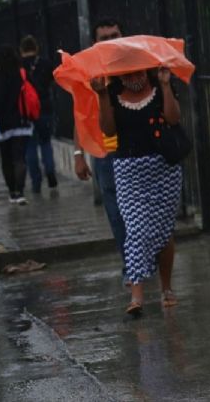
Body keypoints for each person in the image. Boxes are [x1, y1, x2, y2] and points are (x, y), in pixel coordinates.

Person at [91, 67, 182, 315]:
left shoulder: (159, 85)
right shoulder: (112, 92)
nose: (133, 77)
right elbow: (108, 130)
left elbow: (174, 118)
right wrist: (101, 95)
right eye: (126, 73)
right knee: (135, 229)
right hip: (128, 171)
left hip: (163, 170)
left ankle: (166, 288)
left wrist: (165, 85)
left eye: (137, 72)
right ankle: (137, 296)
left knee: (164, 231)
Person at [73, 18, 127, 260]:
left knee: (140, 213)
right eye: (105, 38)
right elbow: (81, 115)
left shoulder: (134, 64)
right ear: (95, 43)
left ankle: (144, 261)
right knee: (116, 214)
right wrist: (78, 155)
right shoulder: (87, 72)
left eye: (115, 35)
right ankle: (131, 267)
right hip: (105, 155)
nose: (111, 41)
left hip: (136, 150)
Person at [0, 45, 34, 205]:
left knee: (6, 159)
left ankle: (12, 191)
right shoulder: (21, 76)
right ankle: (20, 191)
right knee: (20, 157)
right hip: (21, 122)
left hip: (3, 125)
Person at [20, 35, 58, 194]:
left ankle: (36, 181)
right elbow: (53, 81)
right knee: (45, 142)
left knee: (30, 147)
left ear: (21, 50)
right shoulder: (45, 63)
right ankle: (50, 172)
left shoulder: (19, 67)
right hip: (45, 109)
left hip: (26, 113)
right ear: (36, 48)